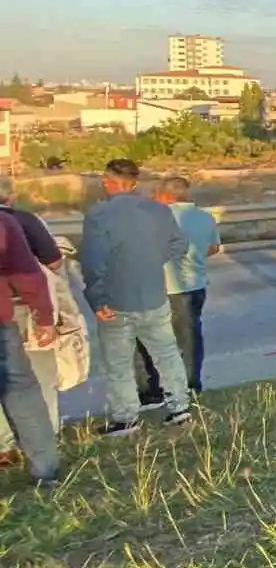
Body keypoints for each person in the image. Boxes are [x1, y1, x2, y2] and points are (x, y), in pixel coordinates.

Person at [79, 159, 193, 435]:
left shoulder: (99, 214)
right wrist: (153, 261)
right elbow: (180, 244)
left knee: (118, 362)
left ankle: (126, 417)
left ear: (108, 181)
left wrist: (96, 297)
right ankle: (180, 408)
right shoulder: (158, 210)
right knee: (166, 354)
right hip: (154, 295)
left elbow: (93, 262)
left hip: (116, 300)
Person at [0, 179, 90, 468]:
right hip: (19, 309)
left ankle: (4, 445)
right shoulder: (19, 221)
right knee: (35, 378)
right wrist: (46, 319)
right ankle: (44, 442)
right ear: (10, 196)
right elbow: (49, 265)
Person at [135, 177, 219, 396]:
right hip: (196, 285)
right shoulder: (205, 217)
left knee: (150, 339)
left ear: (167, 195)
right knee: (190, 338)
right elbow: (214, 247)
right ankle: (191, 383)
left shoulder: (157, 219)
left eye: (157, 194)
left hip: (165, 288)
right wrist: (195, 256)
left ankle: (153, 387)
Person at [0, 208, 61, 486]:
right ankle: (45, 471)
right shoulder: (4, 222)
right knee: (22, 393)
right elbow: (27, 275)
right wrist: (44, 318)